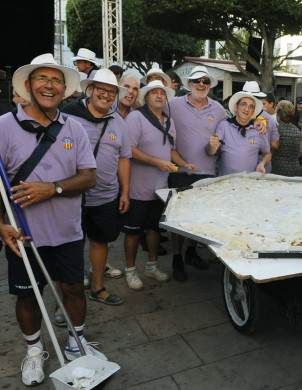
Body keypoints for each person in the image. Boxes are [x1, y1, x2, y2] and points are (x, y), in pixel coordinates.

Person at [0, 53, 106, 387]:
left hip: (67, 231)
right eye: (42, 79)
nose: (49, 85)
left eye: (56, 80)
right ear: (29, 86)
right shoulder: (3, 127)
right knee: (28, 296)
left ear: (64, 89)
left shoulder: (74, 128)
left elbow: (89, 177)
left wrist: (54, 188)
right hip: (23, 235)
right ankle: (34, 352)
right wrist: (0, 225)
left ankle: (76, 342)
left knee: (74, 289)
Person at [62, 68, 131, 306]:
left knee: (101, 241)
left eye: (111, 91)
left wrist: (125, 192)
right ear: (89, 90)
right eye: (101, 89)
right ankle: (67, 301)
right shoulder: (68, 116)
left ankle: (97, 288)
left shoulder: (118, 122)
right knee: (70, 250)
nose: (106, 95)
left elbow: (124, 158)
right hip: (71, 198)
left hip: (105, 196)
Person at [121, 80, 184, 290]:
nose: (159, 96)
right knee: (132, 232)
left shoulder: (169, 121)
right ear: (146, 97)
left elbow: (171, 150)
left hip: (160, 188)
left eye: (162, 93)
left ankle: (151, 266)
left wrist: (184, 163)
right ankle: (130, 271)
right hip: (137, 188)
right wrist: (158, 162)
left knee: (154, 230)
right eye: (154, 92)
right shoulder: (135, 118)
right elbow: (129, 150)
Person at [167, 65, 227, 280]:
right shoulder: (173, 104)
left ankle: (191, 253)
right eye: (197, 81)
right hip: (180, 170)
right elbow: (152, 115)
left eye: (206, 81)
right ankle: (177, 258)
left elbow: (237, 123)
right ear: (189, 84)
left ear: (209, 86)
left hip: (207, 172)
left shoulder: (218, 109)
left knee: (197, 219)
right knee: (177, 219)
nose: (201, 84)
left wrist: (260, 122)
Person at [207, 91, 271, 175]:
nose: (247, 109)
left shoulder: (259, 129)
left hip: (249, 183)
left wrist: (262, 164)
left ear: (253, 112)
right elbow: (210, 152)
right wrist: (211, 146)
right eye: (244, 104)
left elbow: (267, 153)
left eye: (251, 107)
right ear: (236, 107)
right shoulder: (224, 126)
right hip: (225, 182)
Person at [241, 81, 279, 173]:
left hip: (244, 161)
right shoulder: (270, 119)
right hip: (264, 162)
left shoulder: (238, 117)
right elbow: (275, 145)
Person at [271, 100, 302, 177]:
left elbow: (271, 148)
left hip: (278, 169)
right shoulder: (297, 131)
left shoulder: (276, 130)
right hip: (294, 169)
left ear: (278, 115)